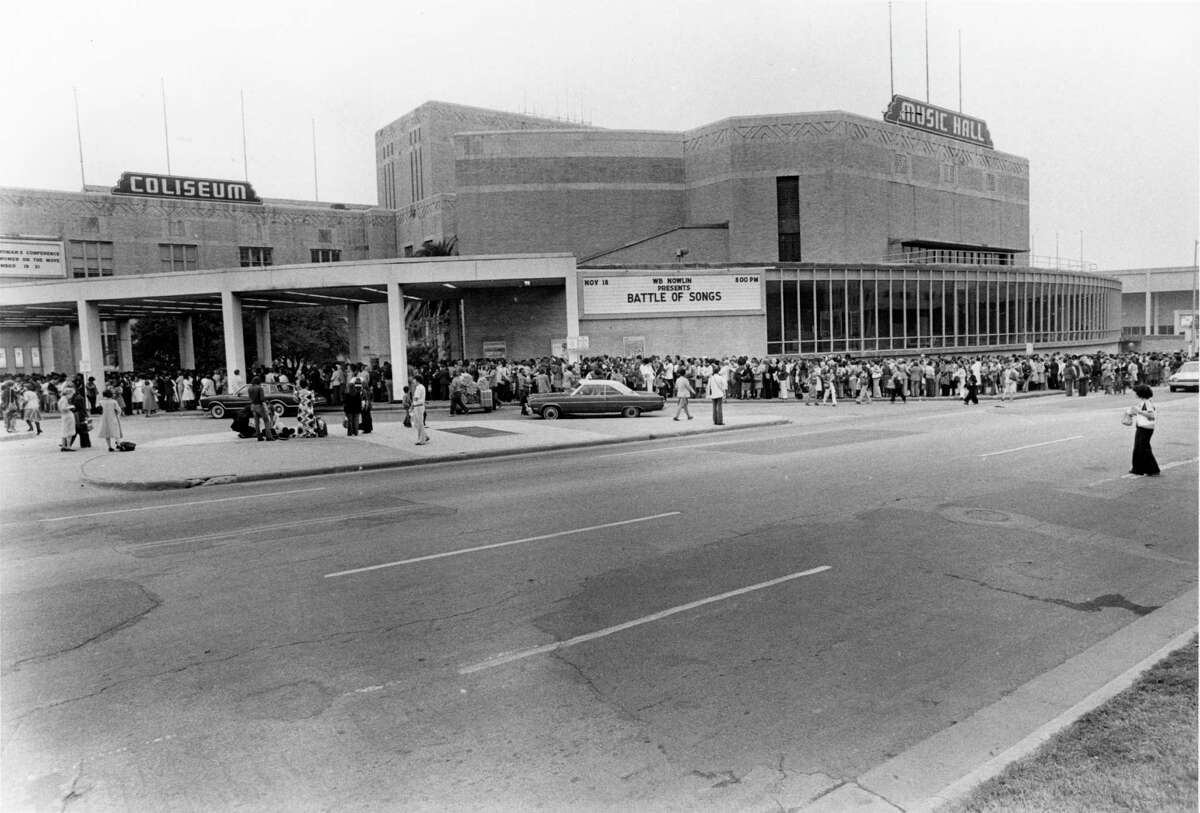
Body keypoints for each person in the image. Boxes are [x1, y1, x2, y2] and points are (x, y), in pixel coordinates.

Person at [1125, 384, 1160, 476]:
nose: (1135, 394)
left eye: (1136, 393)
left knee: (1143, 449)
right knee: (1139, 448)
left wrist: (1139, 411)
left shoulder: (1147, 403)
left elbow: (1151, 416)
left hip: (1146, 428)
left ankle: (1152, 469)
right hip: (1142, 427)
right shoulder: (1143, 402)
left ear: (1140, 394)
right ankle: (1138, 469)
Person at [247, 377, 276, 441]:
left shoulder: (249, 388)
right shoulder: (260, 388)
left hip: (253, 406)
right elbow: (262, 399)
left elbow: (249, 397)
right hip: (259, 406)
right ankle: (269, 437)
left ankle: (259, 437)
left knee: (256, 422)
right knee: (266, 421)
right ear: (259, 382)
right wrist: (266, 404)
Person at [409, 372, 429, 445]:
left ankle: (421, 440)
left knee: (418, 423)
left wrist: (411, 406)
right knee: (418, 423)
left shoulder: (418, 388)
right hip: (420, 406)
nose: (413, 381)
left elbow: (416, 398)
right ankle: (425, 436)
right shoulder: (422, 387)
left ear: (417, 380)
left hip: (418, 406)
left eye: (414, 379)